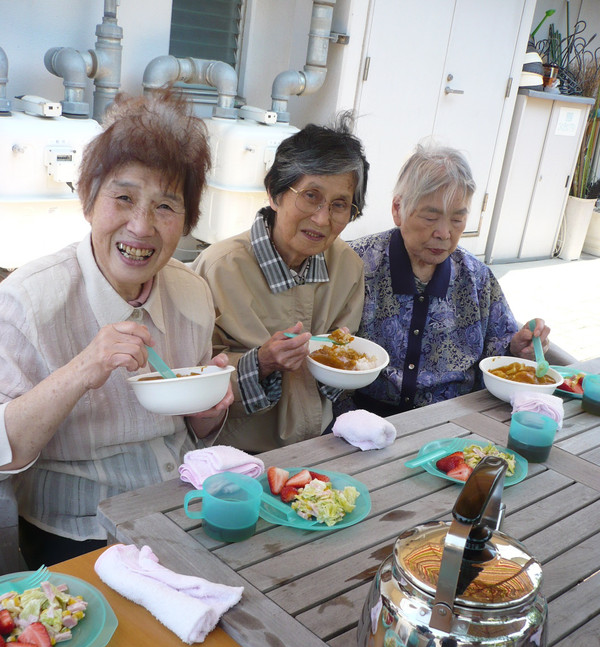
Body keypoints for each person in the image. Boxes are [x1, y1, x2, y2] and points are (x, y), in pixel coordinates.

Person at [0, 91, 233, 568]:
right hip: (78, 530)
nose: (141, 226)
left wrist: (208, 413)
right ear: (88, 199)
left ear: (186, 221)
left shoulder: (192, 294)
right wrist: (84, 367)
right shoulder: (27, 300)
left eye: (166, 207)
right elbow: (4, 452)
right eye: (123, 198)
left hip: (182, 505)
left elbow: (190, 427)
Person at [193, 117, 369, 453]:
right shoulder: (218, 269)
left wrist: (341, 364)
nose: (322, 218)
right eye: (311, 196)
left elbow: (347, 353)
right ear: (275, 193)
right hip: (234, 454)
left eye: (339, 205)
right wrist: (260, 362)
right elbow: (192, 377)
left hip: (319, 446)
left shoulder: (348, 266)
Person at [342, 143, 550, 417]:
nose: (444, 233)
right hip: (363, 420)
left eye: (457, 220)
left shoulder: (477, 278)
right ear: (397, 208)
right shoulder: (356, 264)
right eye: (431, 217)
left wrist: (518, 348)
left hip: (456, 421)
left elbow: (500, 351)